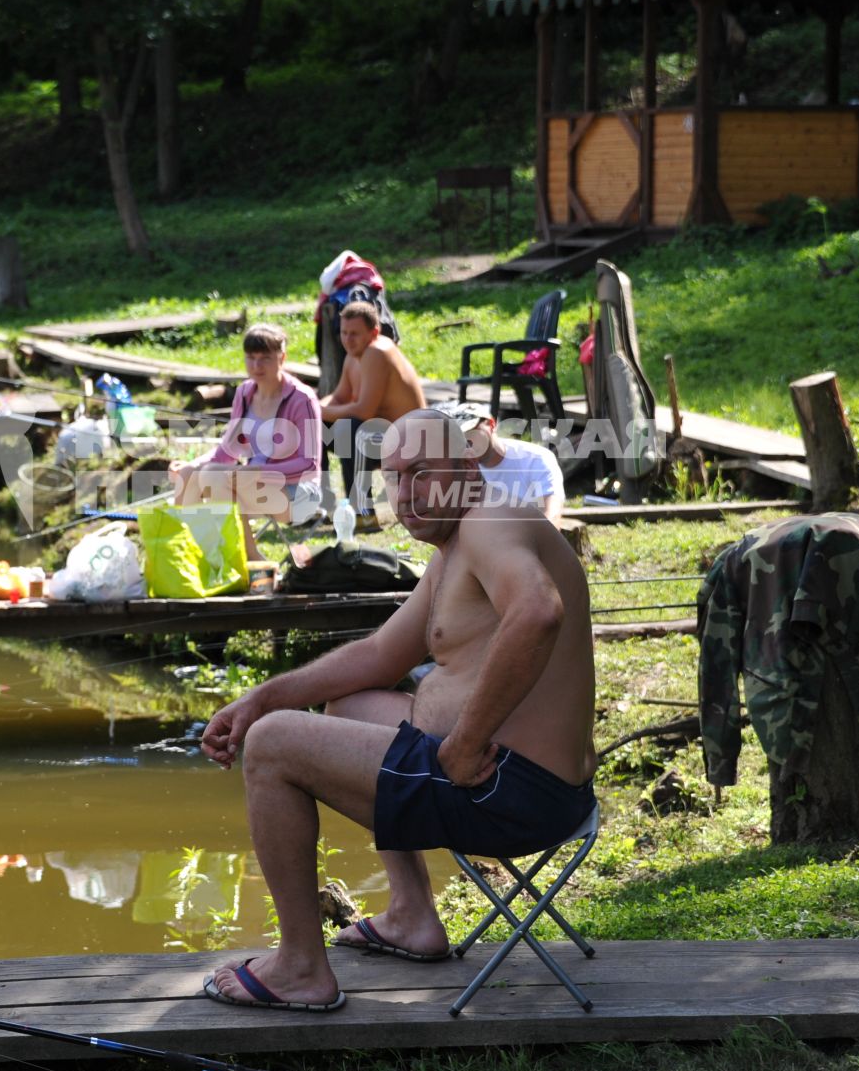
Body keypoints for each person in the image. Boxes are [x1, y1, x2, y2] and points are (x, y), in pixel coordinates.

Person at [197, 409, 596, 1011]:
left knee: (275, 745)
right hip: (521, 784)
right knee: (349, 703)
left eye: (420, 474)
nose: (405, 495)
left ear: (465, 468)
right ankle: (411, 914)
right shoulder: (455, 548)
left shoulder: (491, 522)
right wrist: (262, 697)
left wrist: (463, 743)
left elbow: (538, 610)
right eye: (394, 478)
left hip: (505, 790)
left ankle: (301, 967)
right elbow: (382, 655)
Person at [169, 323, 324, 555]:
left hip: (298, 493)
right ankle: (190, 555)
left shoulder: (302, 399)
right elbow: (227, 452)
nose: (257, 365)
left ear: (282, 358)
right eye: (251, 358)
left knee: (213, 476)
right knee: (189, 476)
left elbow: (309, 464)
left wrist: (257, 472)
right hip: (248, 485)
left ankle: (247, 560)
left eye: (265, 358)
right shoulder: (244, 393)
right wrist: (191, 466)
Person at [319, 300, 425, 509]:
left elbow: (363, 411)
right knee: (315, 427)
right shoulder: (354, 355)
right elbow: (338, 397)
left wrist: (318, 410)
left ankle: (361, 510)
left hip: (409, 443)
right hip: (382, 438)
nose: (348, 340)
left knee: (349, 429)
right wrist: (314, 409)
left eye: (355, 334)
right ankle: (319, 502)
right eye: (344, 333)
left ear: (374, 332)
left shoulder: (377, 352)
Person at [439, 400, 566, 521]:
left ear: (491, 424)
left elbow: (552, 515)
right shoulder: (461, 470)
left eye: (472, 432)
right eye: (461, 437)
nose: (468, 442)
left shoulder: (537, 459)